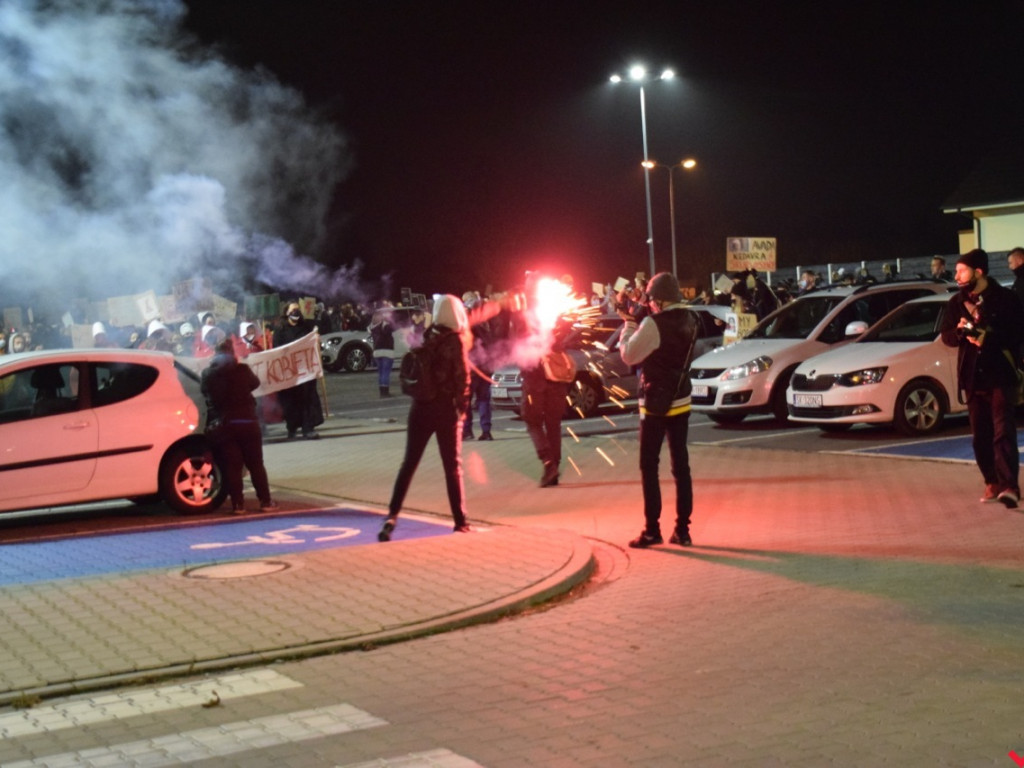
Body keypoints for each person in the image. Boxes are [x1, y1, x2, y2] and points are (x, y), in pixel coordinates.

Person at [379, 294, 473, 541]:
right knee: (452, 467)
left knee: (409, 464)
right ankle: (460, 521)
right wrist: (461, 410)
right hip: (444, 409)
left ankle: (391, 516)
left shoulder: (425, 335)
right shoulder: (455, 341)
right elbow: (462, 380)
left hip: (419, 407)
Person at [617, 272, 700, 548]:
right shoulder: (692, 319)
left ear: (660, 301)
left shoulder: (653, 324)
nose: (650, 304)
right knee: (681, 466)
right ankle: (683, 530)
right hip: (681, 398)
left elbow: (630, 354)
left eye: (653, 300)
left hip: (655, 403)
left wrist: (629, 323)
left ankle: (652, 530)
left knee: (649, 465)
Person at [940, 249, 1024, 509]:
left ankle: (1009, 486)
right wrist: (959, 333)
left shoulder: (1005, 299)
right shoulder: (956, 303)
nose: (957, 275)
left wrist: (990, 336)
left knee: (1003, 432)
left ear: (979, 272)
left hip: (1000, 374)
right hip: (973, 377)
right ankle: (992, 481)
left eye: (962, 270)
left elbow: (1018, 333)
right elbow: (946, 336)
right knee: (980, 436)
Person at [200, 338, 277, 514]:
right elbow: (255, 384)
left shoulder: (208, 374)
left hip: (225, 425)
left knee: (232, 466)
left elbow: (204, 391)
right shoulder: (242, 370)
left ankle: (238, 504)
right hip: (248, 422)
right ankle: (265, 502)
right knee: (256, 464)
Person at [517, 275, 574, 487]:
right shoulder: (556, 310)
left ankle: (549, 463)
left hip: (534, 378)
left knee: (532, 421)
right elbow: (568, 328)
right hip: (557, 378)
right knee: (553, 423)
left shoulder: (524, 315)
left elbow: (513, 340)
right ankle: (554, 467)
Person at [275, 301, 324, 440]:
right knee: (291, 401)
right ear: (286, 312)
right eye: (292, 310)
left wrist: (315, 338)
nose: (295, 312)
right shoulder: (280, 329)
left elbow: (312, 343)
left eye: (297, 309)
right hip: (289, 371)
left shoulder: (305, 327)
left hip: (305, 370)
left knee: (307, 399)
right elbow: (276, 349)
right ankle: (292, 428)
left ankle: (308, 428)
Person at [461, 290, 494, 441]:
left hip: (472, 367)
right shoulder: (485, 320)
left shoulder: (470, 320)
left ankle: (467, 431)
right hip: (486, 365)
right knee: (483, 400)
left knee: (467, 400)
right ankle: (486, 431)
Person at [368, 305, 396, 398]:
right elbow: (392, 329)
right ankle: (385, 392)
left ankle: (381, 391)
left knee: (381, 372)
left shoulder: (372, 327)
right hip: (386, 350)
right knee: (386, 372)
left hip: (377, 351)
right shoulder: (384, 325)